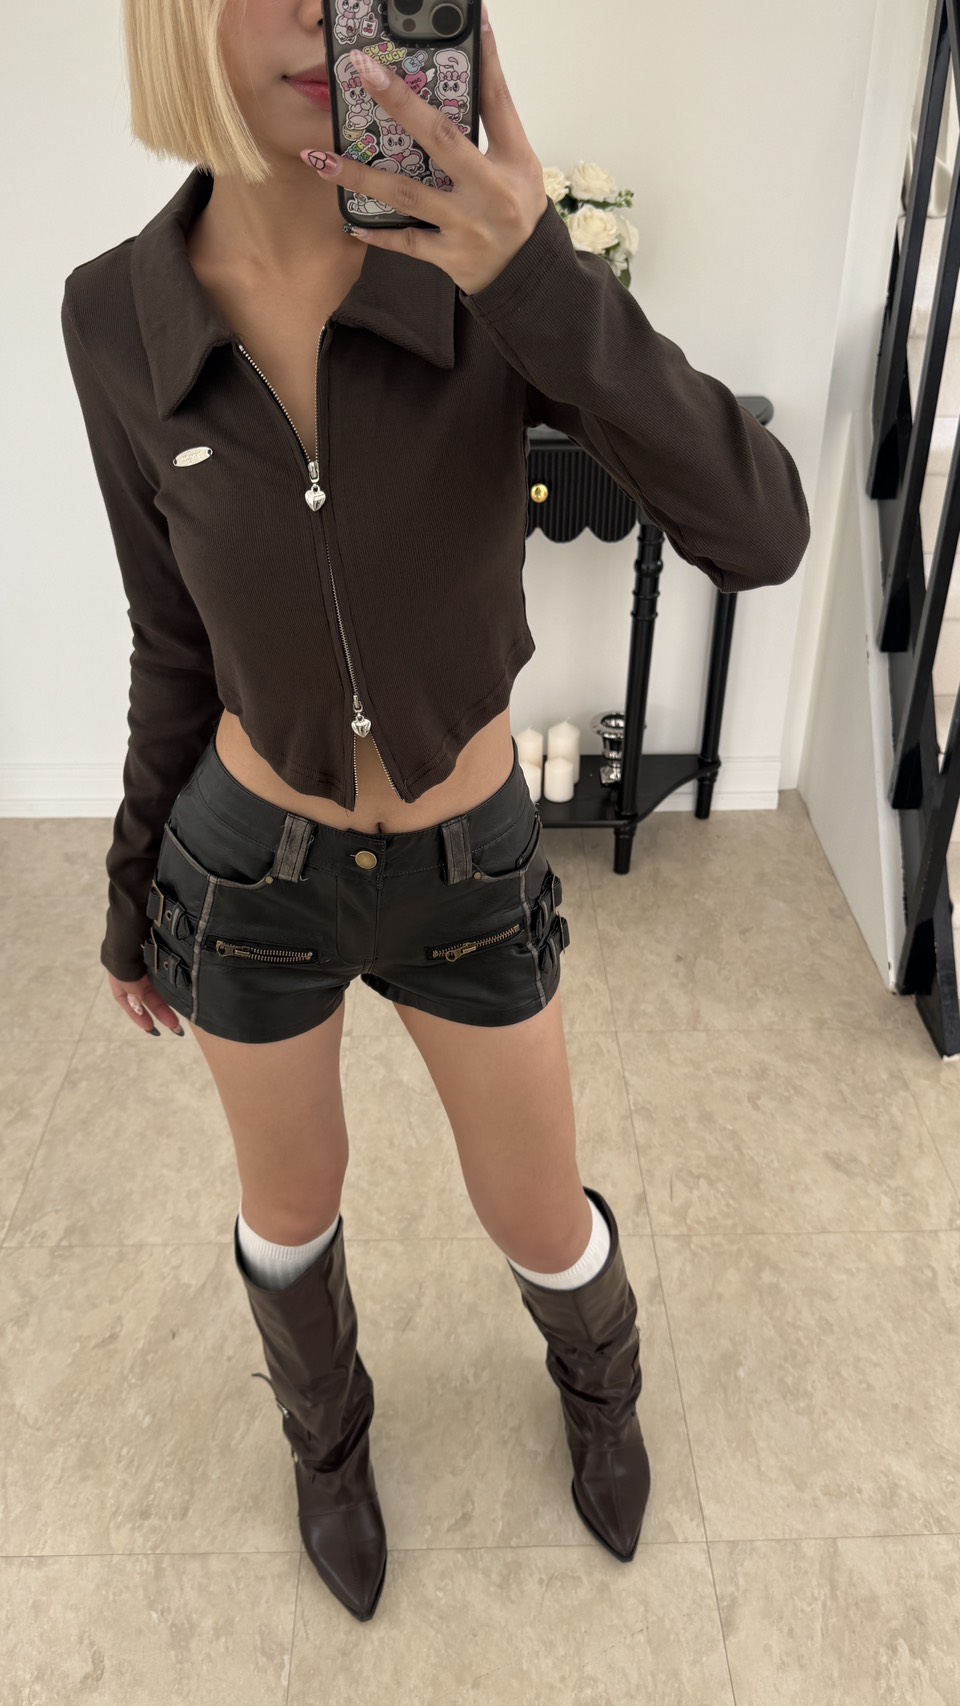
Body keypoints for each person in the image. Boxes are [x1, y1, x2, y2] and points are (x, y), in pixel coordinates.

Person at [61, 0, 810, 1625]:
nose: (317, 11)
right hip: (249, 877)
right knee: (289, 1211)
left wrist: (541, 278)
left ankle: (602, 1392)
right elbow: (168, 637)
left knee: (538, 1210)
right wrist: (131, 898)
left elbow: (760, 531)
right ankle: (327, 1449)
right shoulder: (114, 316)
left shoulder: (479, 275)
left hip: (471, 866)